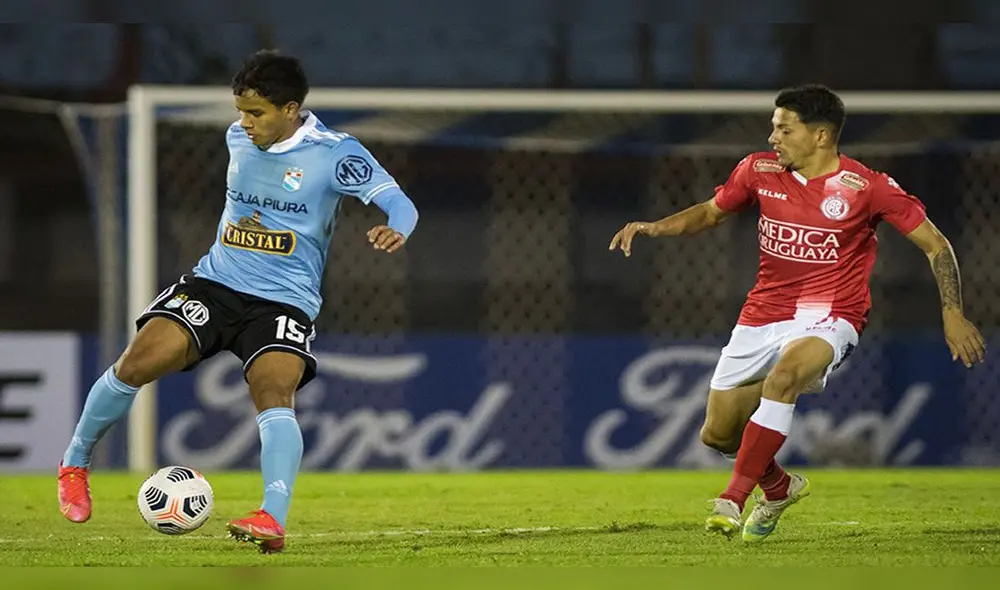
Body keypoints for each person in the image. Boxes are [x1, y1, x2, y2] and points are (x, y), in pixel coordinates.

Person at [57, 49, 419, 553]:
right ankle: (74, 463)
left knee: (274, 392)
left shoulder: (337, 153)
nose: (243, 123)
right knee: (135, 364)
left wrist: (395, 228)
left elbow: (399, 202)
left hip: (283, 303)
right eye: (240, 111)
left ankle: (272, 517)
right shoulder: (237, 138)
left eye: (256, 113)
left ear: (291, 109)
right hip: (216, 284)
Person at [609, 84, 985, 542]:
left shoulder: (868, 188)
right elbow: (711, 212)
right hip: (763, 313)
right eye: (773, 127)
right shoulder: (758, 170)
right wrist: (654, 227)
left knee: (784, 378)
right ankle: (779, 486)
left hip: (832, 315)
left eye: (784, 129)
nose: (773, 137)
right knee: (719, 435)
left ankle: (733, 498)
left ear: (821, 135)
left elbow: (936, 245)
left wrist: (952, 311)